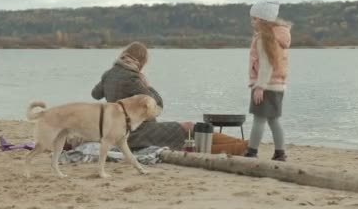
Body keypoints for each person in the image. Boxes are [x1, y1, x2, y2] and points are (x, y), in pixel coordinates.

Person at [91, 41, 247, 152]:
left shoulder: (109, 74)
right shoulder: (133, 78)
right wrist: (147, 85)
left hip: (117, 131)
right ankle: (242, 146)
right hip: (138, 132)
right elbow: (157, 105)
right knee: (189, 128)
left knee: (188, 139)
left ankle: (242, 145)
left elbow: (95, 94)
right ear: (141, 61)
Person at [244, 0, 292, 161]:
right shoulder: (278, 35)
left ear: (263, 20)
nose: (252, 22)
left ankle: (251, 152)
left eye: (254, 19)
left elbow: (266, 64)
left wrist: (260, 87)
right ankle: (280, 153)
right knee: (274, 120)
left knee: (259, 119)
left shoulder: (265, 38)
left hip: (267, 86)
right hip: (278, 86)